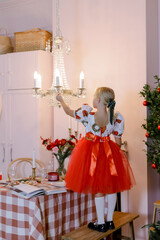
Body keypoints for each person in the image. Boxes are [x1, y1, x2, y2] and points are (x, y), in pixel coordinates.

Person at [56, 87, 135, 232]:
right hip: (109, 154)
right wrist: (113, 157)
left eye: (94, 97)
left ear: (97, 100)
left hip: (91, 154)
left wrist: (61, 100)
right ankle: (109, 221)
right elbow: (118, 143)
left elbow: (68, 112)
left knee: (98, 188)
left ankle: (100, 222)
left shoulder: (87, 114)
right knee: (111, 187)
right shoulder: (116, 117)